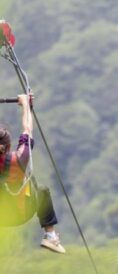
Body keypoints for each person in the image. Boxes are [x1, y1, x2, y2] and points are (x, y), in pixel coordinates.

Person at [0, 94, 65, 254]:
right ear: (7, 146)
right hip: (21, 213)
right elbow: (27, 129)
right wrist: (26, 106)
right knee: (41, 190)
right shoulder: (19, 159)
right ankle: (50, 235)